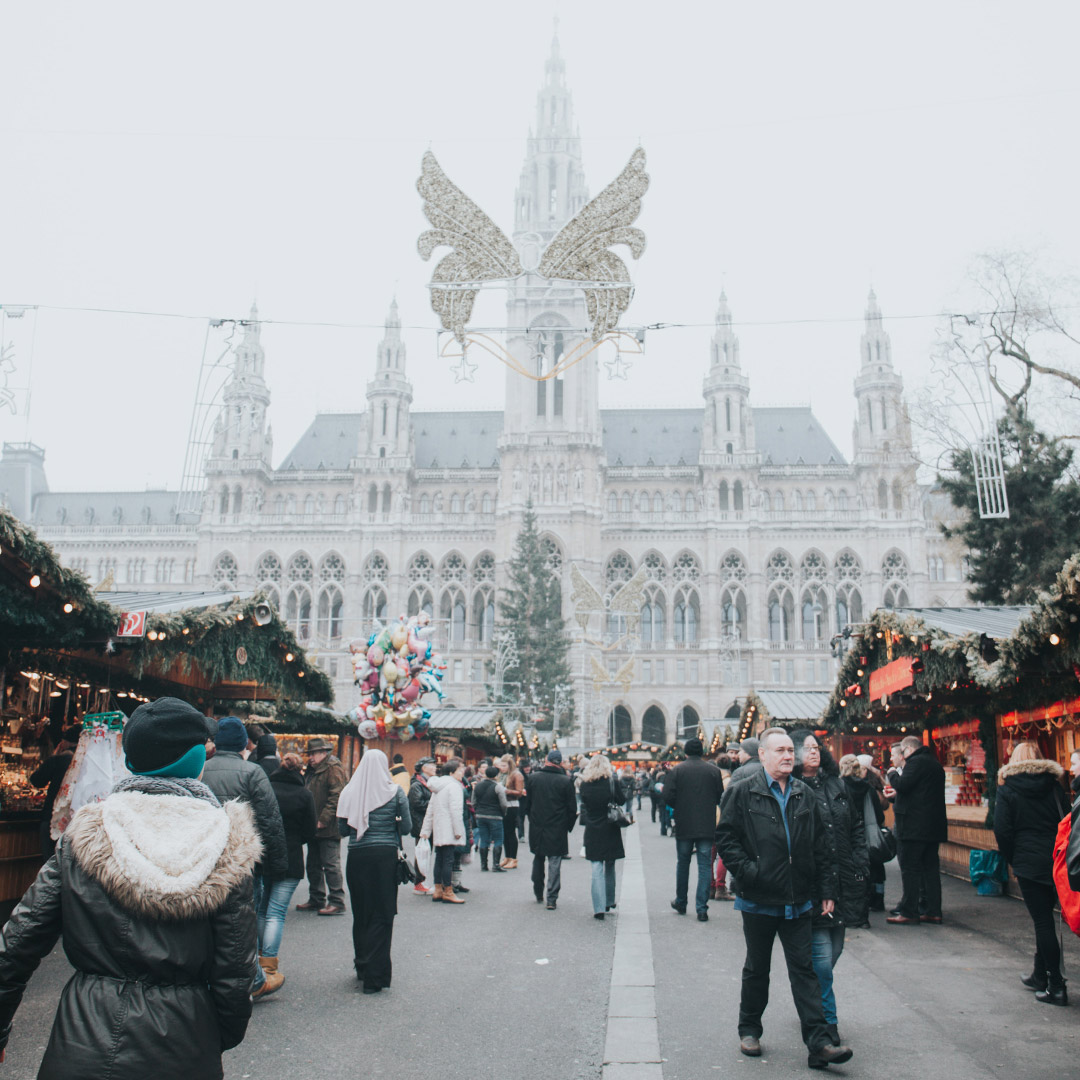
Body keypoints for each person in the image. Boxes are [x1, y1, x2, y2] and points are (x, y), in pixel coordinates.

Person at [0, 696, 258, 1080]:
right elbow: (235, 971)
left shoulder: (86, 833)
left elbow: (19, 942)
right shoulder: (225, 842)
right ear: (194, 761)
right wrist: (212, 1035)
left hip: (83, 1036)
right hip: (183, 1041)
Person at [716, 727, 853, 1069]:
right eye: (780, 750)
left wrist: (826, 891)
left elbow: (821, 846)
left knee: (804, 971)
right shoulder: (743, 791)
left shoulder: (804, 794)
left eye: (790, 750)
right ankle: (749, 1030)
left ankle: (819, 1043)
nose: (788, 756)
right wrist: (751, 872)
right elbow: (726, 838)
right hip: (759, 900)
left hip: (798, 900)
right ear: (762, 755)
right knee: (757, 969)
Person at [201, 714, 289, 999]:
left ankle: (208, 977)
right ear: (242, 744)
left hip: (204, 857)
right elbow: (269, 820)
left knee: (205, 917)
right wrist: (276, 863)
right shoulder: (252, 772)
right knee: (242, 920)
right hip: (241, 861)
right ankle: (252, 978)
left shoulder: (201, 769)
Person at [792, 732, 869, 1045]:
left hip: (843, 880)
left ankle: (811, 1000)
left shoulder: (836, 784)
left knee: (834, 951)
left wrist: (860, 862)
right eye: (806, 748)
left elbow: (856, 826)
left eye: (816, 747)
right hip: (812, 887)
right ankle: (826, 1026)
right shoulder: (793, 788)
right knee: (822, 961)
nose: (813, 752)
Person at [993, 741, 1071, 1005]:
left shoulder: (1007, 788)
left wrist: (1012, 857)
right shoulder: (1054, 785)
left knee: (1042, 921)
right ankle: (1040, 974)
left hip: (1027, 860)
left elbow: (1002, 829)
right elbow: (1068, 819)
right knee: (1046, 918)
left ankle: (1056, 986)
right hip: (1056, 859)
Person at [338, 749, 411, 992]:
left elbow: (342, 830)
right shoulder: (395, 791)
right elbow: (408, 827)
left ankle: (362, 964)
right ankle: (375, 976)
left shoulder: (349, 791)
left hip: (357, 856)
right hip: (384, 858)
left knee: (362, 913)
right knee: (383, 914)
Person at [261, 753, 316, 989]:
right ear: (300, 771)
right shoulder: (304, 794)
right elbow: (310, 831)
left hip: (263, 855)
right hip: (291, 856)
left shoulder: (266, 789)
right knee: (276, 912)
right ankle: (268, 965)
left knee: (262, 908)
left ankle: (254, 959)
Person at [885, 735, 947, 925]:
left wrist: (893, 773)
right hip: (932, 827)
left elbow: (903, 784)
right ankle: (933, 911)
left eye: (902, 753)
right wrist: (899, 795)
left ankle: (909, 911)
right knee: (930, 870)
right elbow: (919, 793)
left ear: (908, 749)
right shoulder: (934, 764)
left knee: (910, 870)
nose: (902, 757)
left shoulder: (915, 763)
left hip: (913, 827)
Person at [664, 738, 724, 921]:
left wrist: (679, 807)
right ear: (702, 751)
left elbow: (667, 795)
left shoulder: (677, 770)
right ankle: (702, 908)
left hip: (684, 823)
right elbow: (719, 795)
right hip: (706, 824)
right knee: (705, 865)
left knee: (683, 863)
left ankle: (681, 901)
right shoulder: (713, 771)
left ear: (686, 752)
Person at [298, 737, 348, 916]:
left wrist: (324, 819)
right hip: (314, 824)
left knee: (330, 864)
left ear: (323, 752)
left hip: (327, 826)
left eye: (313, 754)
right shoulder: (313, 769)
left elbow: (337, 796)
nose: (310, 757)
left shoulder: (333, 768)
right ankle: (316, 898)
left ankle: (336, 901)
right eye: (309, 754)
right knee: (313, 864)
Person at [526, 750, 578, 910]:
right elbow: (572, 808)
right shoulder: (565, 781)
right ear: (560, 763)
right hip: (557, 826)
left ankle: (538, 891)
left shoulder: (533, 778)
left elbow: (528, 804)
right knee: (555, 861)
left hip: (537, 825)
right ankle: (552, 898)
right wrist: (568, 826)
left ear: (547, 760)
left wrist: (532, 819)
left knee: (538, 858)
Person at [578, 754, 626, 919]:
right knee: (610, 864)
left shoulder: (585, 785)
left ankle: (598, 907)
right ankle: (609, 900)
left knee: (596, 867)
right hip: (610, 827)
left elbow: (584, 802)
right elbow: (621, 800)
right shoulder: (612, 783)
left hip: (593, 828)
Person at [839, 754, 881, 927]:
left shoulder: (838, 787)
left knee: (844, 874)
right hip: (863, 835)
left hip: (844, 835)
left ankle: (846, 912)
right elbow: (878, 815)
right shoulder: (868, 788)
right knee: (863, 874)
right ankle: (862, 915)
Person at [420, 758, 467, 904]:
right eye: (460, 770)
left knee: (439, 858)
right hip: (450, 828)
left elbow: (430, 810)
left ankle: (438, 889)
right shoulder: (454, 786)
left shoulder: (438, 786)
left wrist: (426, 830)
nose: (462, 772)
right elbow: (456, 810)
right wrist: (458, 830)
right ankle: (448, 891)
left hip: (439, 827)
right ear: (452, 772)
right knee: (448, 860)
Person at [29, 727, 80, 858]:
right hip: (76, 821)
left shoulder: (60, 760)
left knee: (50, 862)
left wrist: (53, 757)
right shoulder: (86, 760)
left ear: (65, 742)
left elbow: (36, 780)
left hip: (53, 818)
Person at [409, 757, 437, 895]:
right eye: (431, 765)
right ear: (423, 768)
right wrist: (434, 804)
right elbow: (417, 804)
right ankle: (419, 883)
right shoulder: (417, 785)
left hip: (427, 823)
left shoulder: (427, 783)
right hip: (421, 824)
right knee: (422, 853)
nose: (434, 767)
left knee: (426, 853)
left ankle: (422, 881)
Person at [473, 765, 509, 871]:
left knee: (484, 839)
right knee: (498, 839)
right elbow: (503, 804)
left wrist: (478, 810)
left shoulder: (478, 786)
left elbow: (474, 801)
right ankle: (496, 865)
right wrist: (503, 813)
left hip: (480, 815)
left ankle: (483, 865)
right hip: (495, 815)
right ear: (496, 775)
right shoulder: (498, 787)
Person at [498, 754, 525, 869]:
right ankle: (507, 857)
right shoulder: (502, 775)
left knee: (510, 832)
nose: (501, 768)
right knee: (504, 832)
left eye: (504, 765)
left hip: (512, 805)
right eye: (501, 765)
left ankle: (513, 858)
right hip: (503, 805)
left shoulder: (517, 775)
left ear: (509, 765)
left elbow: (519, 792)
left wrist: (506, 791)